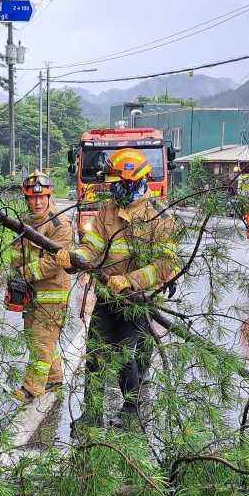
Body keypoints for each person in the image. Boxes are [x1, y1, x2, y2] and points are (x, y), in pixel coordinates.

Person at [54, 148, 180, 430]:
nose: (113, 189)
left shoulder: (159, 217)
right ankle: (92, 414)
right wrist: (73, 259)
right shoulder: (107, 210)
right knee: (95, 354)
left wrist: (131, 280)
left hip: (136, 300)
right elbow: (92, 249)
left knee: (125, 355)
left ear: (134, 181)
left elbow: (165, 264)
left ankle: (131, 410)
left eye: (117, 183)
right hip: (106, 296)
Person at [8, 170, 75, 404]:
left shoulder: (61, 224)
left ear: (49, 196)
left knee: (40, 340)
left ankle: (31, 388)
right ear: (26, 199)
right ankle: (54, 377)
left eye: (42, 197)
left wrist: (27, 272)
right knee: (35, 338)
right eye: (32, 198)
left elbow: (55, 262)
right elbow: (17, 253)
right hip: (30, 293)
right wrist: (14, 278)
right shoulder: (24, 223)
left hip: (53, 293)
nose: (37, 202)